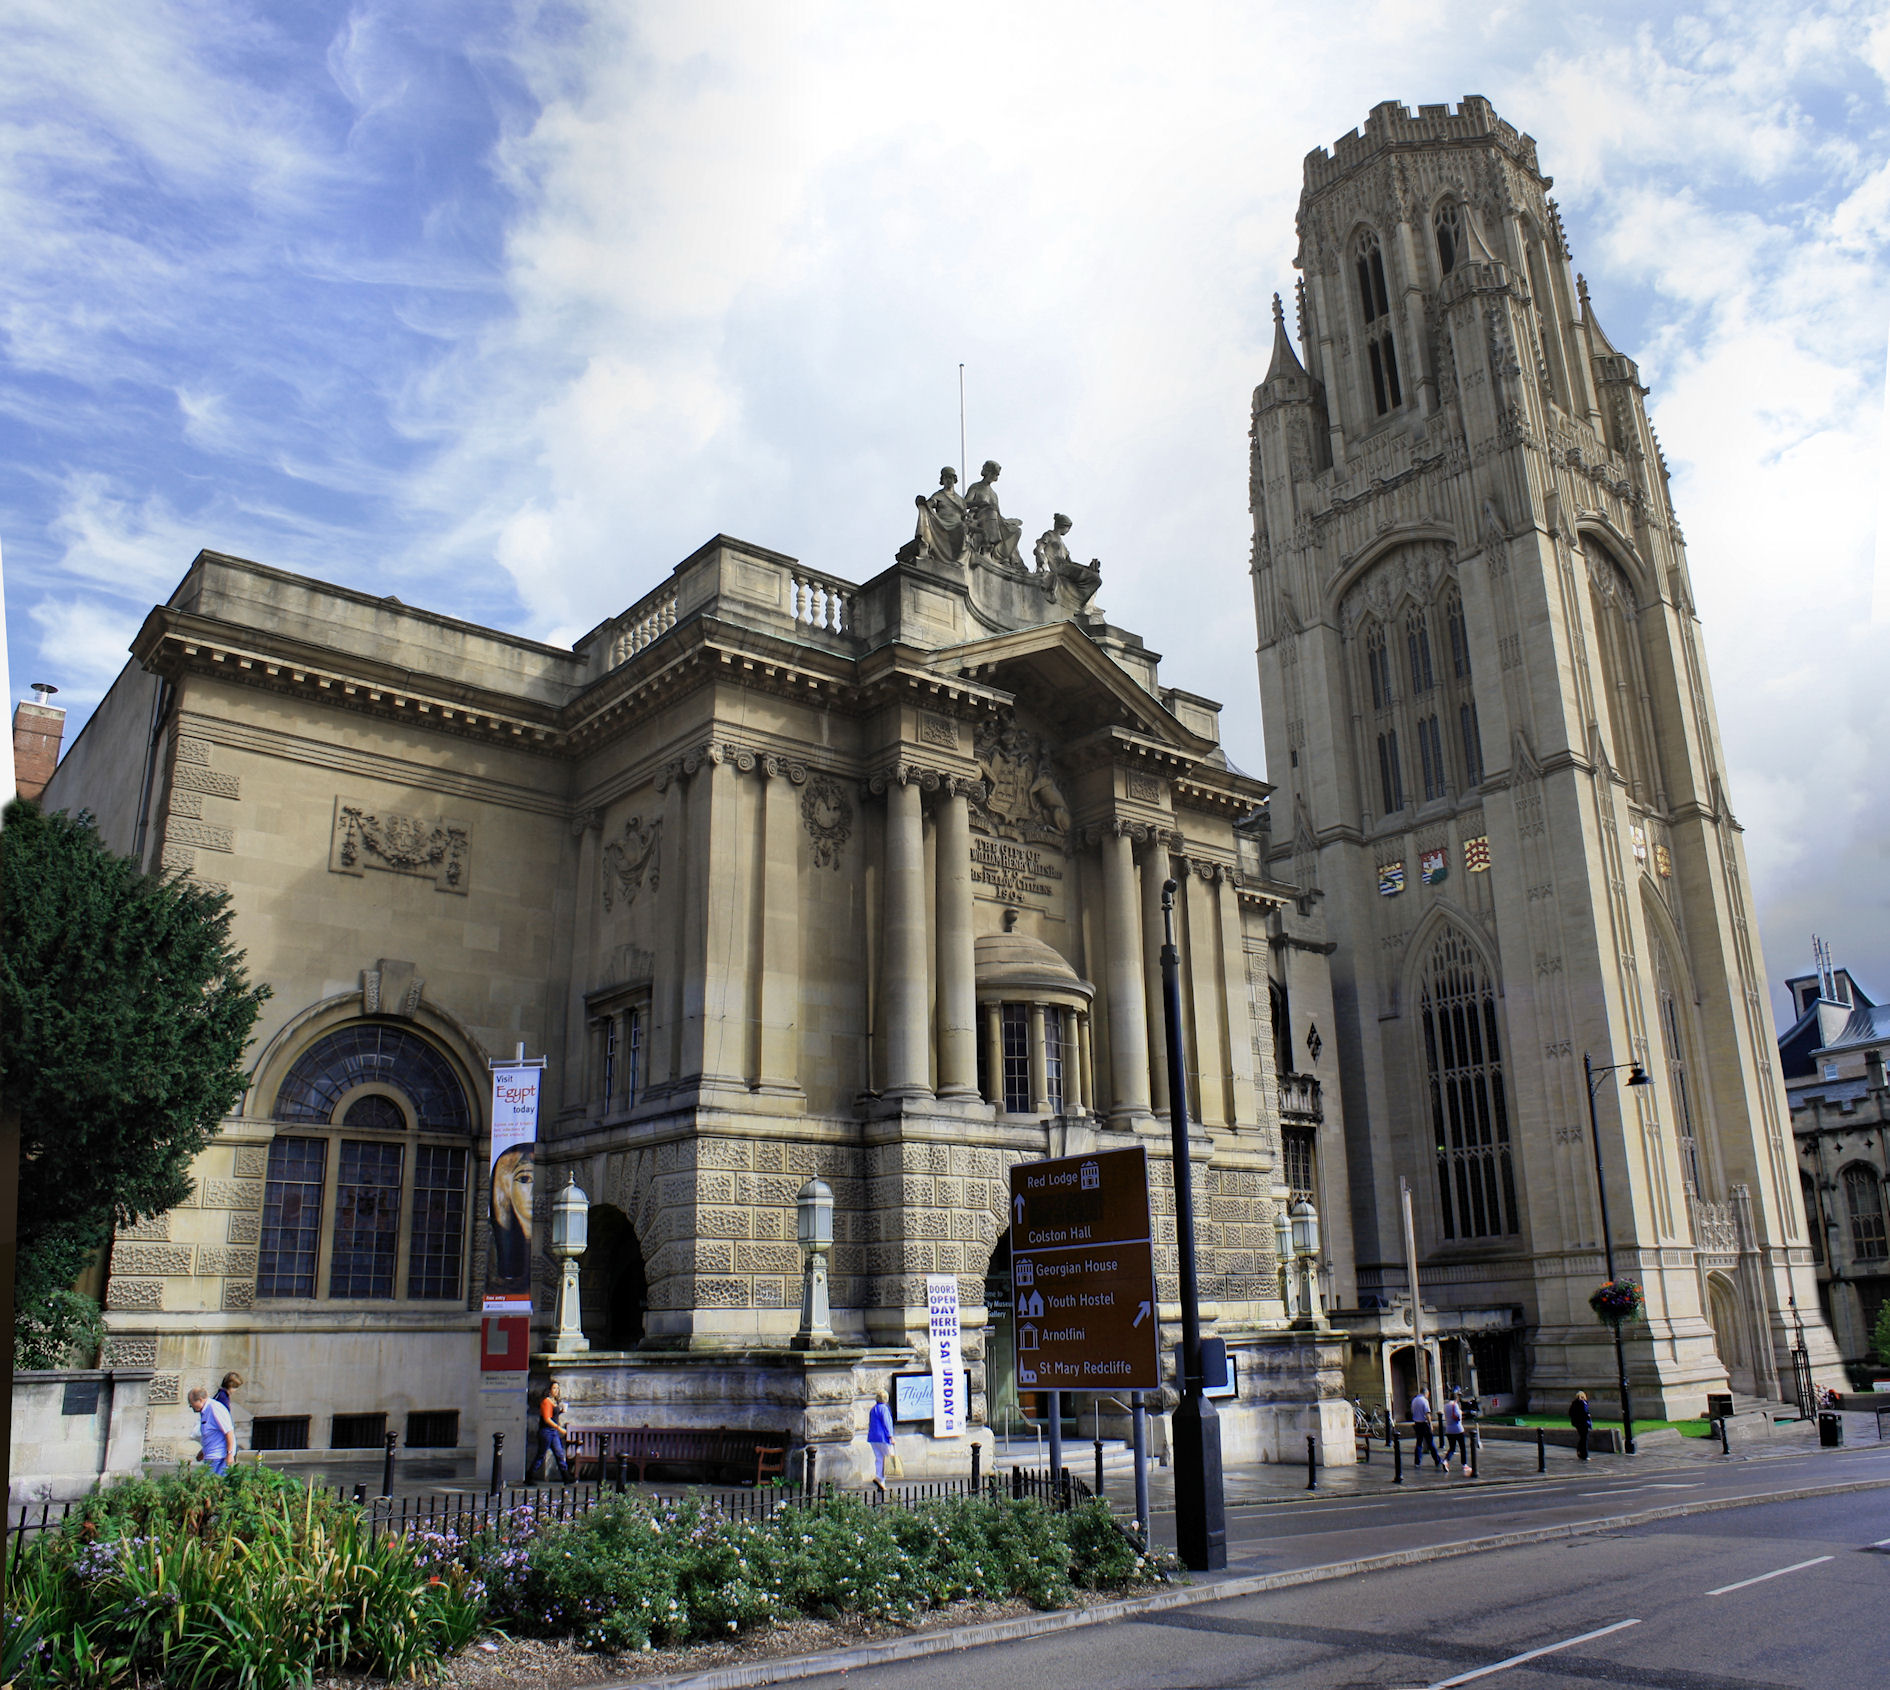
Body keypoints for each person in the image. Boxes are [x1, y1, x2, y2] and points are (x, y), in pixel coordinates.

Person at [531, 1380, 573, 1484]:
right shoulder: (546, 1401)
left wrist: (561, 1411)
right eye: (554, 1388)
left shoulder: (555, 1402)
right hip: (546, 1431)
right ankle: (530, 1475)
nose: (556, 1390)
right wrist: (560, 1428)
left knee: (559, 1453)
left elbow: (554, 1414)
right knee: (541, 1454)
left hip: (553, 1431)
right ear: (549, 1390)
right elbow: (547, 1419)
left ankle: (566, 1476)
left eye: (558, 1388)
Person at [189, 1386, 235, 1475]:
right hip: (210, 1457)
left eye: (191, 1403)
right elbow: (212, 1434)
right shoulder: (205, 1411)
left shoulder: (215, 1409)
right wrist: (203, 1451)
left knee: (213, 1486)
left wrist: (230, 1454)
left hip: (219, 1458)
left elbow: (229, 1432)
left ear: (200, 1400)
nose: (191, 1406)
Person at [867, 1388, 895, 1497]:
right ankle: (880, 1478)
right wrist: (891, 1436)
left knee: (879, 1458)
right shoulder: (884, 1409)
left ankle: (881, 1481)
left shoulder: (873, 1409)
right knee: (889, 1458)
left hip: (873, 1438)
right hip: (883, 1438)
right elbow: (887, 1423)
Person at [1409, 1384, 1443, 1470]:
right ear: (1426, 1393)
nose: (1428, 1396)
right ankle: (1437, 1460)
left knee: (1419, 1443)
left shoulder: (1414, 1400)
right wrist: (1430, 1424)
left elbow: (1412, 1411)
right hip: (1424, 1423)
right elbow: (1427, 1414)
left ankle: (1417, 1462)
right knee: (1430, 1443)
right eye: (1428, 1394)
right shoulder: (1424, 1401)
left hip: (1417, 1423)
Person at [1442, 1390, 1469, 1473]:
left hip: (1449, 1429)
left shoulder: (1445, 1406)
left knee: (1452, 1448)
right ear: (1456, 1398)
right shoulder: (1455, 1405)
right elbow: (1457, 1416)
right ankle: (1464, 1464)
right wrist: (1461, 1413)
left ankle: (1445, 1460)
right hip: (1457, 1429)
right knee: (1462, 1447)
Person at [1570, 1389, 1593, 1461]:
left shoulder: (1574, 1403)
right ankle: (1585, 1455)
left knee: (1582, 1437)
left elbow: (1570, 1413)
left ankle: (1580, 1451)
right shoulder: (1583, 1403)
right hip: (1584, 1423)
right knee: (1584, 1439)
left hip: (1577, 1423)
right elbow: (1586, 1412)